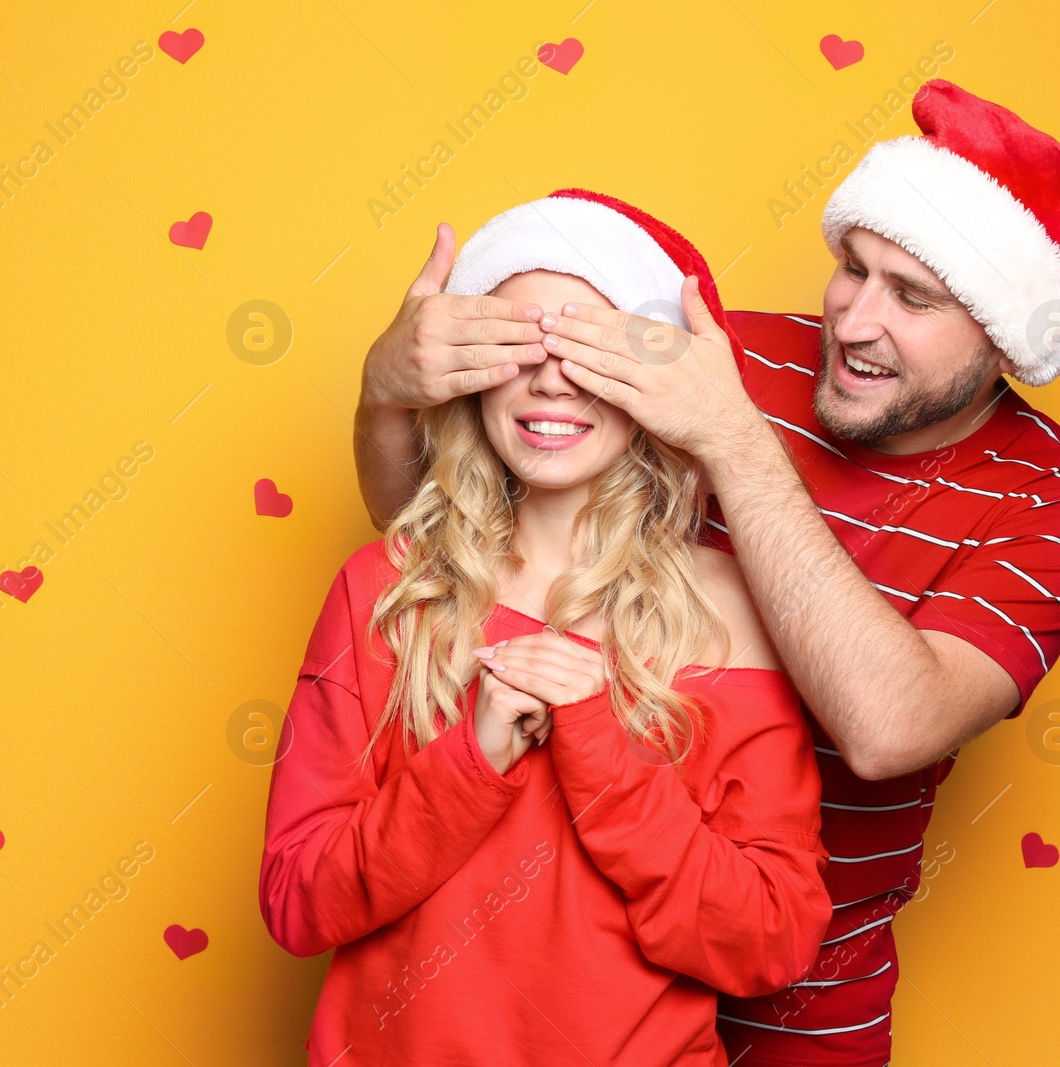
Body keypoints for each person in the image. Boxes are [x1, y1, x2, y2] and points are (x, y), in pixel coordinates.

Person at [352, 80, 1060, 1065]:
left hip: (808, 982)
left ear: (1003, 332)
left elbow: (888, 727)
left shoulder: (1059, 504)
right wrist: (387, 394)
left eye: (914, 296)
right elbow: (446, 537)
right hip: (565, 931)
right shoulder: (722, 351)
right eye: (851, 269)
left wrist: (732, 440)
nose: (853, 321)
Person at [261, 190, 833, 1066]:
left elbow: (770, 942)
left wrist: (602, 749)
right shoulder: (386, 587)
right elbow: (298, 900)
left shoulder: (735, 625)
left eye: (587, 346)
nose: (549, 376)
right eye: (520, 341)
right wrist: (468, 762)